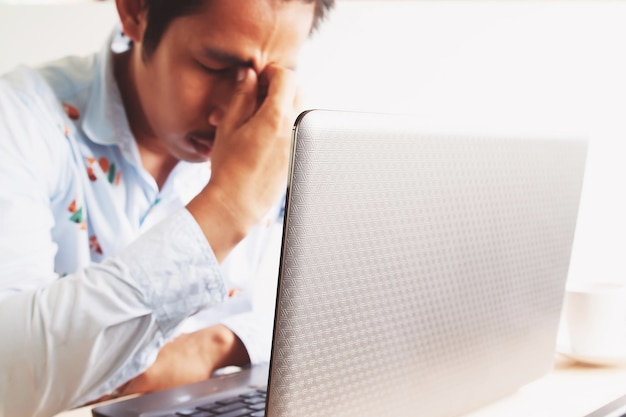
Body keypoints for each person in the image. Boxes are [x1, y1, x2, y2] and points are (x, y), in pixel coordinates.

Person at [0, 0, 334, 416]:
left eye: (269, 77)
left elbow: (327, 319)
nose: (231, 112)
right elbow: (9, 374)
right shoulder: (17, 122)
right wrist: (229, 204)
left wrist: (211, 347)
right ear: (135, 11)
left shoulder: (276, 130)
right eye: (213, 66)